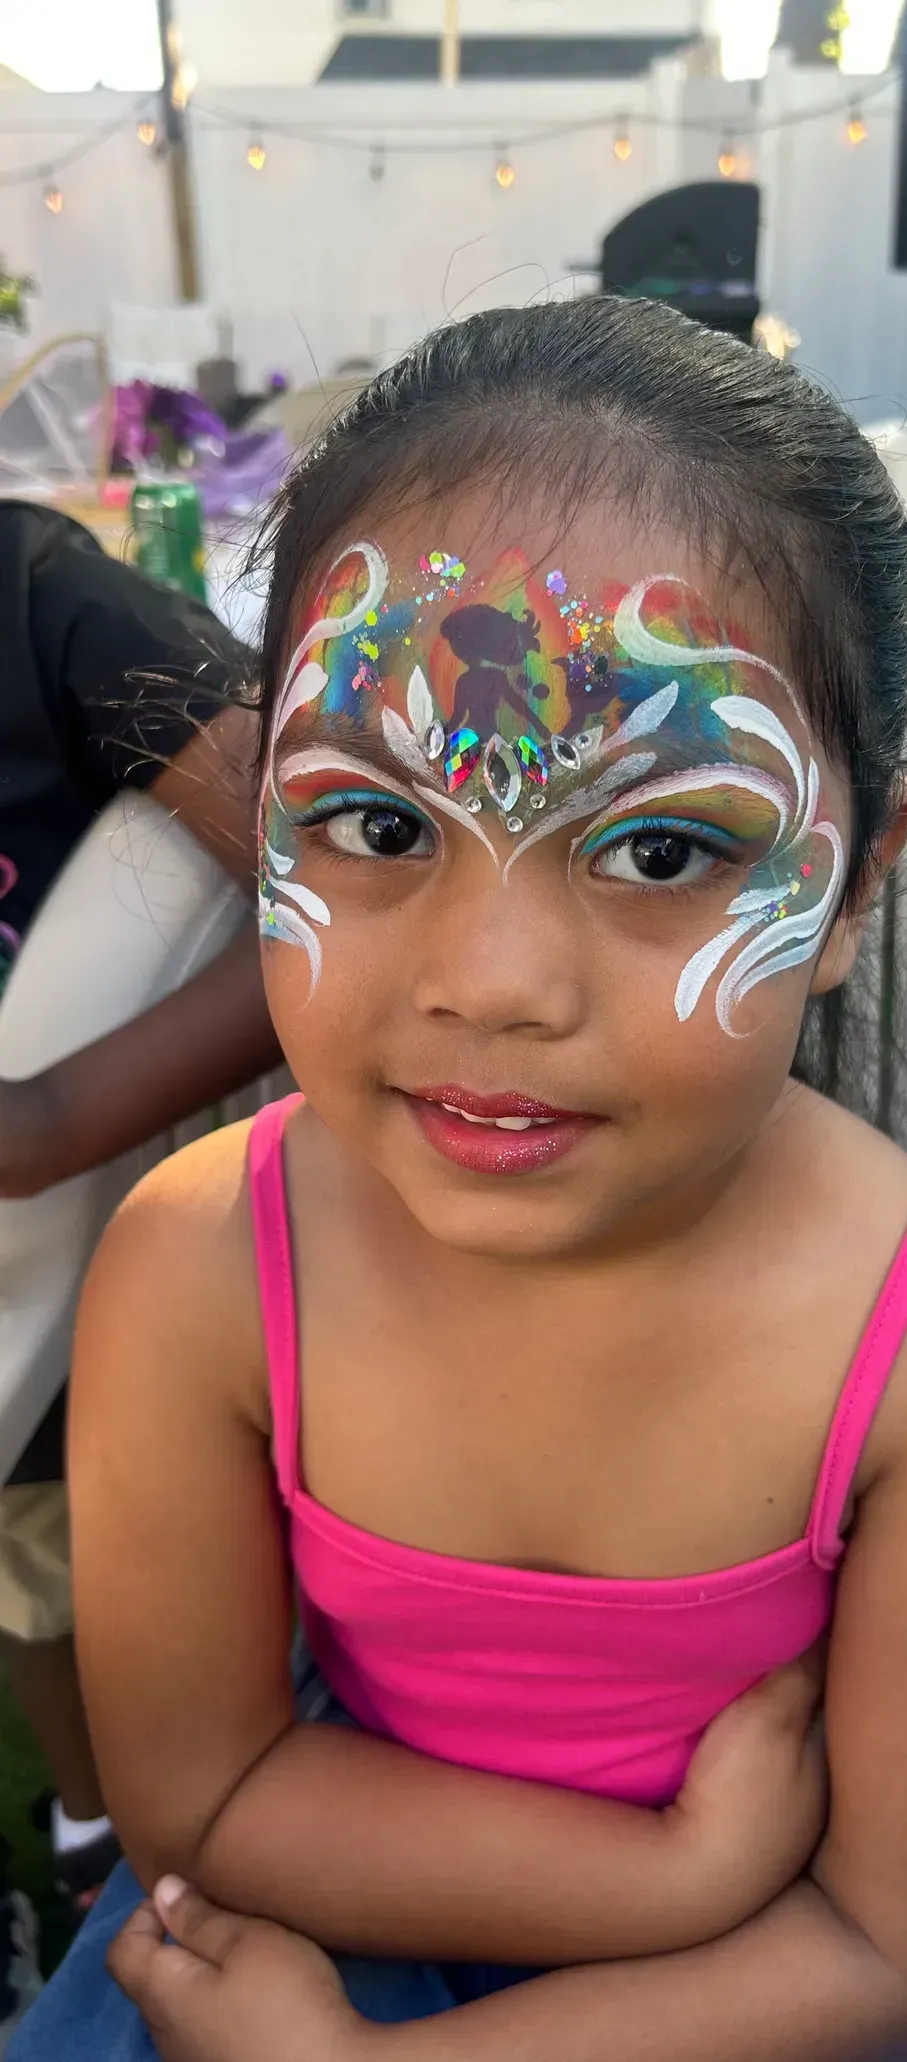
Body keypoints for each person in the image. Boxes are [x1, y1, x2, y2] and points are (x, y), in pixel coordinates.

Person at [10, 300, 907, 2062]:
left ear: (850, 888)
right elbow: (204, 1803)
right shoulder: (205, 1266)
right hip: (371, 1910)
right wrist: (665, 1877)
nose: (496, 980)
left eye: (663, 844)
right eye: (375, 826)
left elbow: (881, 1948)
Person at [0, 502, 278, 1985]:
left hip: (67, 1263)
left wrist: (52, 1115)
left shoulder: (36, 596)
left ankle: (108, 1837)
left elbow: (334, 872)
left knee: (73, 1561)